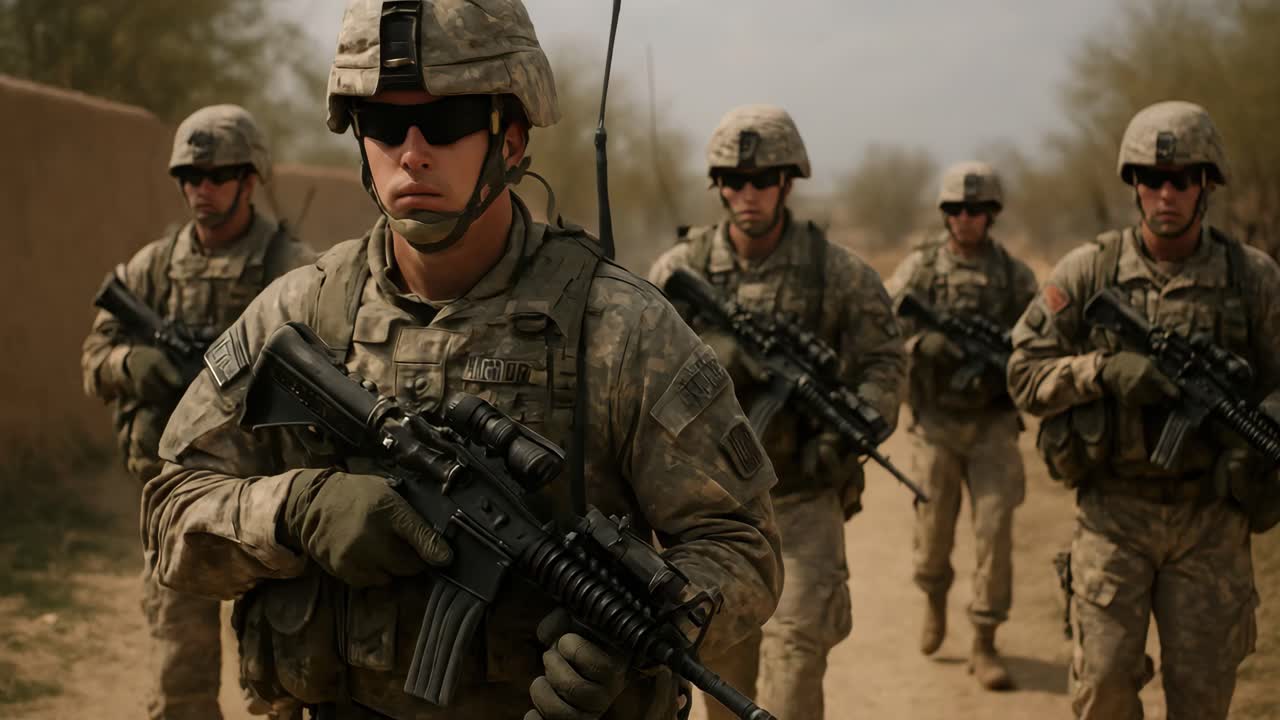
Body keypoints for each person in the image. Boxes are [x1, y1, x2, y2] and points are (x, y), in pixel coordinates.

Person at [141, 2, 782, 718]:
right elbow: (171, 514)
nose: (411, 152)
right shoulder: (297, 315)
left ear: (511, 138)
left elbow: (741, 543)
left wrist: (633, 641)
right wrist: (293, 510)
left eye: (444, 123)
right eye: (382, 124)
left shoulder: (621, 329)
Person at [1008, 100, 1280, 719]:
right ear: (1133, 184)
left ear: (1206, 183)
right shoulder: (1088, 271)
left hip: (1211, 523)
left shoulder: (1254, 278)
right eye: (1152, 178)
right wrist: (1100, 372)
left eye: (1182, 178)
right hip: (1113, 517)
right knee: (1103, 689)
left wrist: (1262, 423)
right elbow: (1022, 373)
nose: (1166, 192)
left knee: (1203, 698)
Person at [648, 104, 906, 720]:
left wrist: (856, 428)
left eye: (762, 180)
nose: (747, 193)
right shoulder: (678, 273)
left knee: (795, 669)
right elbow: (636, 380)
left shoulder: (837, 273)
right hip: (709, 510)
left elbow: (885, 362)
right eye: (733, 181)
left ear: (788, 182)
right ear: (718, 187)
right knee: (724, 676)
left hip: (805, 500)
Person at [81, 104, 314, 720]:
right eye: (189, 177)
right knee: (178, 676)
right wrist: (135, 368)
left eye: (216, 176)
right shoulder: (154, 267)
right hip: (176, 503)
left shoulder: (291, 270)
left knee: (280, 681)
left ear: (249, 178)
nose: (200, 190)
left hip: (263, 504)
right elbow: (96, 354)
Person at [884, 161, 1037, 690]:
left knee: (994, 533)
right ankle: (933, 598)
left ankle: (984, 641)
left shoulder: (1015, 277)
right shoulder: (919, 272)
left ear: (991, 214)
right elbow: (880, 335)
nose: (966, 219)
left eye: (976, 210)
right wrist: (923, 346)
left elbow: (1038, 344)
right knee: (933, 536)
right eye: (956, 209)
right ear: (945, 214)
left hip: (993, 426)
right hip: (936, 427)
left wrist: (1006, 366)